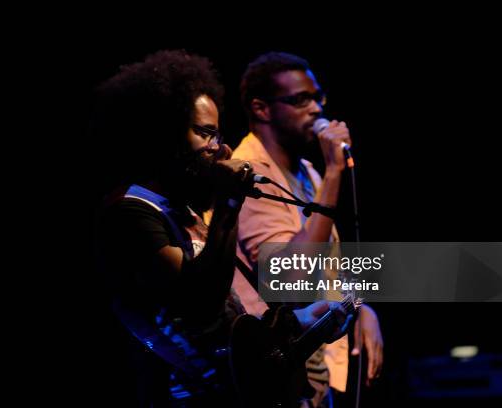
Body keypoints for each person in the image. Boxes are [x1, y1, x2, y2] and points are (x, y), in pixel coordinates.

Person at [94, 50, 350, 406]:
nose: (221, 148)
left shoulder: (186, 211)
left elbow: (234, 325)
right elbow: (199, 303)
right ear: (163, 135)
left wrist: (308, 322)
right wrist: (230, 202)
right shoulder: (129, 216)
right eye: (206, 134)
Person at [232, 52, 384, 407]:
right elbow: (288, 278)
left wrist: (362, 308)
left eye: (318, 98)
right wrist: (334, 174)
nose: (316, 109)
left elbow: (328, 271)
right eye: (300, 100)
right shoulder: (248, 175)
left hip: (313, 376)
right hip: (272, 378)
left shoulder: (305, 172)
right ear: (261, 109)